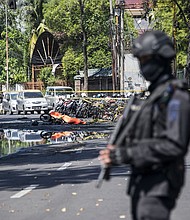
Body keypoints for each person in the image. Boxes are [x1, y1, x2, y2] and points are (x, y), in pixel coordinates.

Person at [99, 30, 190, 220]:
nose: (143, 65)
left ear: (162, 57)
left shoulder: (176, 97)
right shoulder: (152, 96)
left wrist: (126, 154)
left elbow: (174, 145)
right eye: (140, 59)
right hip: (143, 180)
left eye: (147, 58)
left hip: (160, 184)